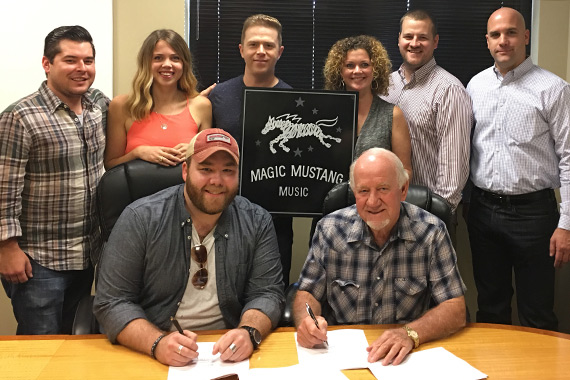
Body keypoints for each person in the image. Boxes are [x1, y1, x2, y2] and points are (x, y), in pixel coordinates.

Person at [93, 128, 285, 367]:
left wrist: (248, 332)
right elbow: (112, 302)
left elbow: (267, 293)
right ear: (185, 171)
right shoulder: (140, 218)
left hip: (225, 354)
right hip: (151, 348)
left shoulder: (257, 221)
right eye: (206, 169)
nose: (216, 181)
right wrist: (157, 343)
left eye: (228, 171)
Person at [294, 148, 466, 366]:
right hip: (340, 356)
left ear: (403, 190)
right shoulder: (330, 230)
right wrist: (307, 322)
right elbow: (307, 293)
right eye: (363, 191)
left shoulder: (431, 232)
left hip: (406, 357)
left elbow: (455, 307)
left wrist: (410, 333)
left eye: (383, 189)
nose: (373, 202)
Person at [466, 7, 570, 331]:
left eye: (511, 32)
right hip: (483, 212)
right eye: (496, 35)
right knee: (490, 307)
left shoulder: (554, 89)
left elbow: (568, 157)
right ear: (487, 41)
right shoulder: (475, 86)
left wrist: (566, 223)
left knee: (537, 312)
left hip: (535, 215)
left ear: (525, 37)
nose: (503, 41)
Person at [0, 26, 109, 334]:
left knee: (75, 339)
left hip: (87, 253)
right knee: (42, 345)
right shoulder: (20, 117)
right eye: (71, 60)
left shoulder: (97, 105)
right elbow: (3, 188)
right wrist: (6, 247)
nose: (82, 69)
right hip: (39, 260)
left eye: (88, 61)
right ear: (47, 64)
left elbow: (143, 107)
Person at [208, 14, 294, 286]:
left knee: (271, 292)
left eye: (268, 45)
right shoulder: (217, 96)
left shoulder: (294, 100)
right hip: (223, 212)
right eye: (253, 44)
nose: (261, 51)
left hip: (276, 216)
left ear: (279, 52)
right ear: (241, 49)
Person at [381, 9, 471, 225]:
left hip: (428, 214)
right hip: (386, 210)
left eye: (422, 37)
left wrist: (436, 218)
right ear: (399, 40)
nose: (414, 43)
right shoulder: (385, 86)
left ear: (435, 41)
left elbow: (453, 167)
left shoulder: (449, 90)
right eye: (408, 36)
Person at [104, 29, 211, 169]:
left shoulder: (202, 106)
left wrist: (195, 150)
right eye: (158, 58)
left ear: (184, 64)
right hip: (138, 190)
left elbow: (208, 166)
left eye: (175, 58)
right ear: (146, 63)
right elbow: (110, 166)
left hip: (183, 189)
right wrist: (137, 153)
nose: (167, 64)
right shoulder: (122, 106)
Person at [323, 35, 412, 178]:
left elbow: (405, 171)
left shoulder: (393, 115)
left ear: (375, 69)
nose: (357, 71)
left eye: (364, 64)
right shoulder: (324, 113)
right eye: (349, 65)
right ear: (340, 71)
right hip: (330, 198)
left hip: (374, 199)